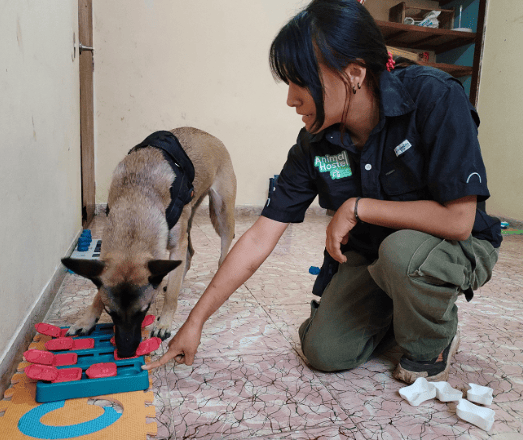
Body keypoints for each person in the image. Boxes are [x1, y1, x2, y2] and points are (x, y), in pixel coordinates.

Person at [144, 0, 501, 384]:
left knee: (402, 255)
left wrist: (359, 207)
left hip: (451, 248)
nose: (291, 99)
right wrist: (195, 321)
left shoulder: (435, 98)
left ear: (353, 74)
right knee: (325, 351)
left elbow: (459, 221)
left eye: (301, 82)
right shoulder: (315, 144)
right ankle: (402, 310)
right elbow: (261, 235)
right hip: (377, 257)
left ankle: (434, 341)